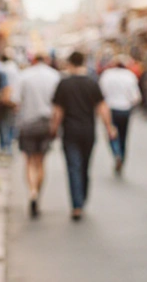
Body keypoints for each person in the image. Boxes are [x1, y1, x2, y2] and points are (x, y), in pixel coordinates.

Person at [50, 51, 117, 221]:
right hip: (88, 131)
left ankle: (77, 205)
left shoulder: (63, 84)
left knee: (73, 167)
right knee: (85, 167)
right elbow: (102, 107)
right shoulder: (92, 83)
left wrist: (53, 128)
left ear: (70, 63)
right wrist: (109, 127)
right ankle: (82, 198)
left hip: (70, 131)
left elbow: (58, 111)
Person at [10, 52, 61, 218]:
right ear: (46, 60)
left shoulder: (24, 76)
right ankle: (37, 194)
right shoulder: (54, 76)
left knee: (29, 161)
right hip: (46, 123)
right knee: (41, 161)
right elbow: (58, 104)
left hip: (28, 124)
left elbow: (15, 101)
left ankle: (31, 192)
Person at [98, 55, 141, 174]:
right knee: (123, 135)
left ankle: (116, 153)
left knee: (111, 133)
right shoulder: (129, 76)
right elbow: (136, 97)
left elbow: (100, 94)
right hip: (124, 109)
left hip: (110, 109)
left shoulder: (106, 75)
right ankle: (121, 155)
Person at [0, 49, 20, 156]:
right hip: (13, 99)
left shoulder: (2, 69)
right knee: (10, 123)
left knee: (4, 124)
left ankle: (5, 147)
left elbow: (5, 86)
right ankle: (9, 146)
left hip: (4, 100)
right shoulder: (15, 68)